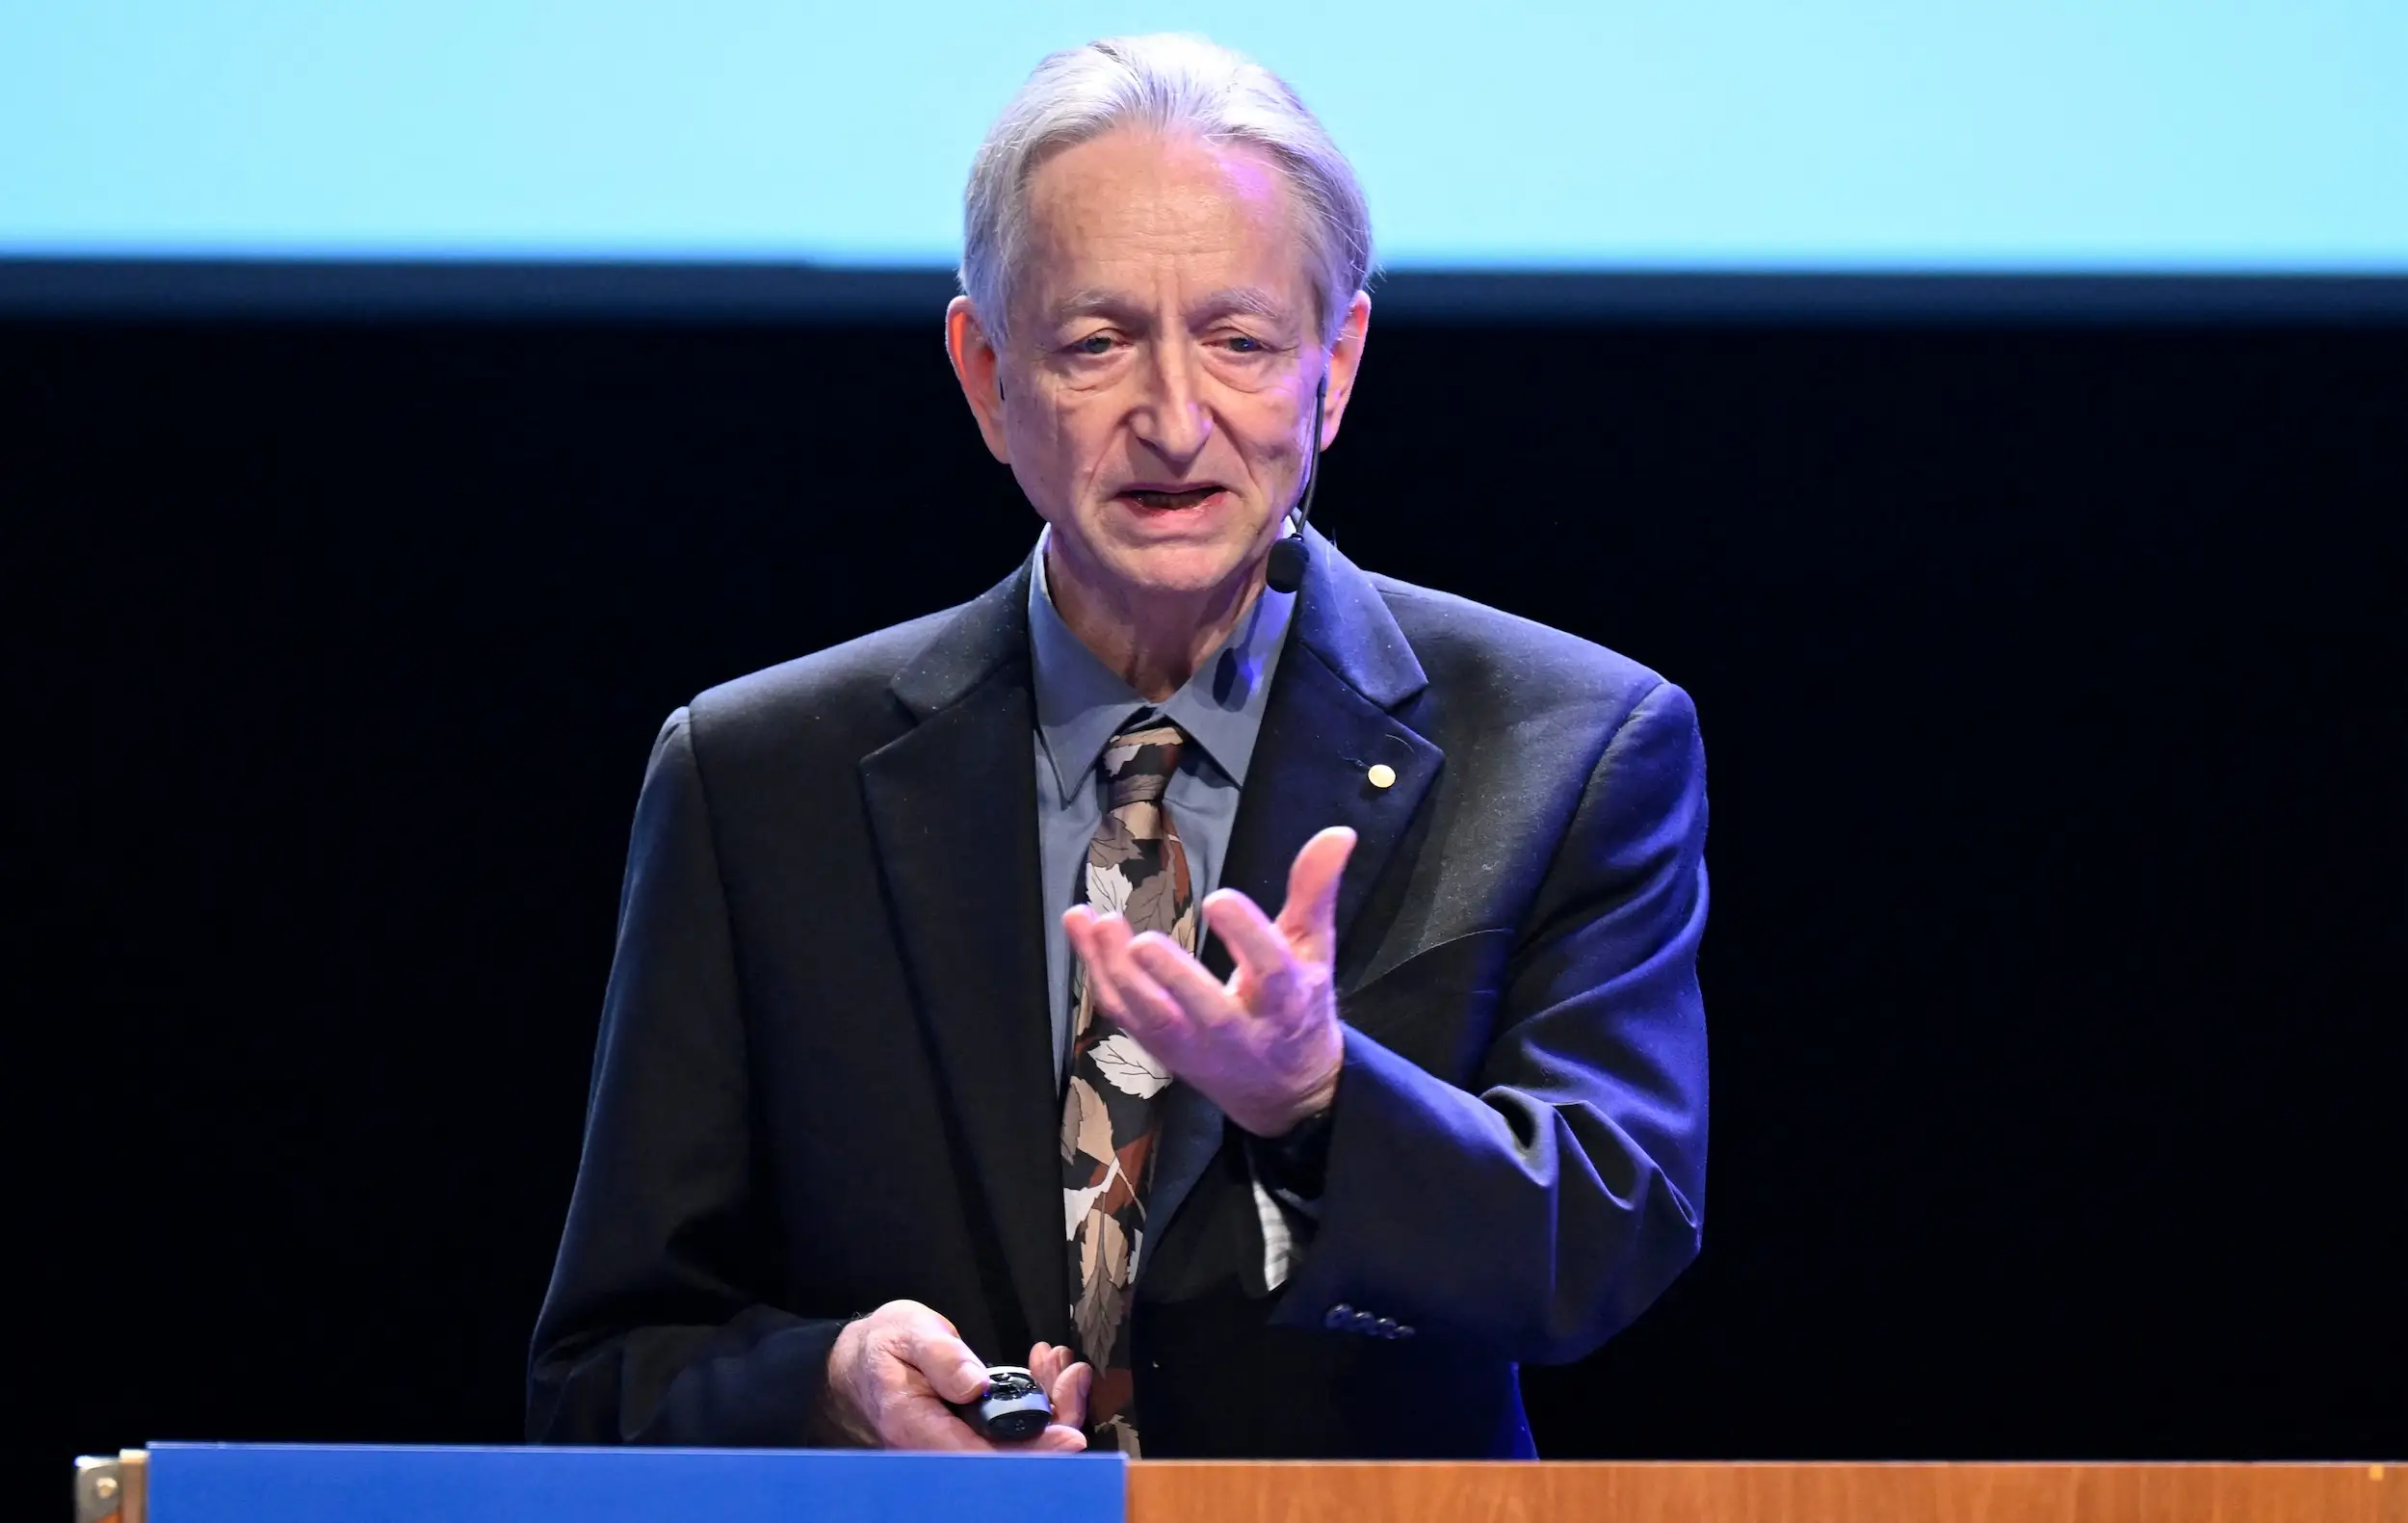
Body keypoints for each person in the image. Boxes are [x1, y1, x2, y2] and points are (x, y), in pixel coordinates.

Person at [528, 32, 1708, 1459]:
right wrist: (832, 1388)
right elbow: (604, 1375)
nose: (1171, 416)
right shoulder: (757, 777)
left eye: (1240, 340)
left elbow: (1604, 1240)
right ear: (986, 373)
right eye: (1096, 342)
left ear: (1334, 368)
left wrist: (1318, 1098)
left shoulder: (1569, 743)